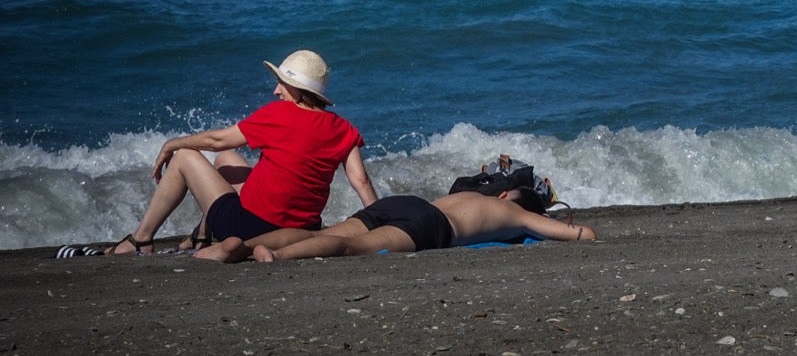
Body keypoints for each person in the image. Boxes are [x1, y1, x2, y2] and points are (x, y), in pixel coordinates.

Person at [109, 50, 375, 254]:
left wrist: (173, 144)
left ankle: (140, 239)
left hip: (249, 228)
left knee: (185, 158)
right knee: (227, 160)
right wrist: (377, 221)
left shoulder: (279, 113)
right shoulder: (343, 128)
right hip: (301, 233)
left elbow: (217, 140)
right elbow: (360, 181)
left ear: (296, 89)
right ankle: (202, 235)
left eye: (281, 83)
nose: (276, 90)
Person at [195, 186, 597, 263]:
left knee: (326, 233)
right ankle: (276, 255)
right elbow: (579, 235)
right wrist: (569, 227)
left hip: (404, 201)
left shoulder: (468, 195)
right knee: (355, 249)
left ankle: (242, 245)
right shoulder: (515, 212)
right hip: (429, 223)